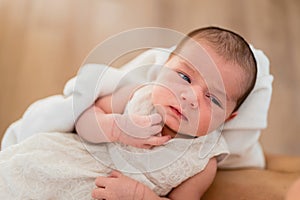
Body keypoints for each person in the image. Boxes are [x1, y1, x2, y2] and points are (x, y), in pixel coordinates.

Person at [75, 26, 257, 199]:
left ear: (228, 118)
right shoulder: (140, 96)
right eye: (184, 77)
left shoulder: (203, 160)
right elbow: (83, 121)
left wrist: (139, 196)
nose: (191, 97)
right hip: (67, 165)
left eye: (213, 99)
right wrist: (116, 129)